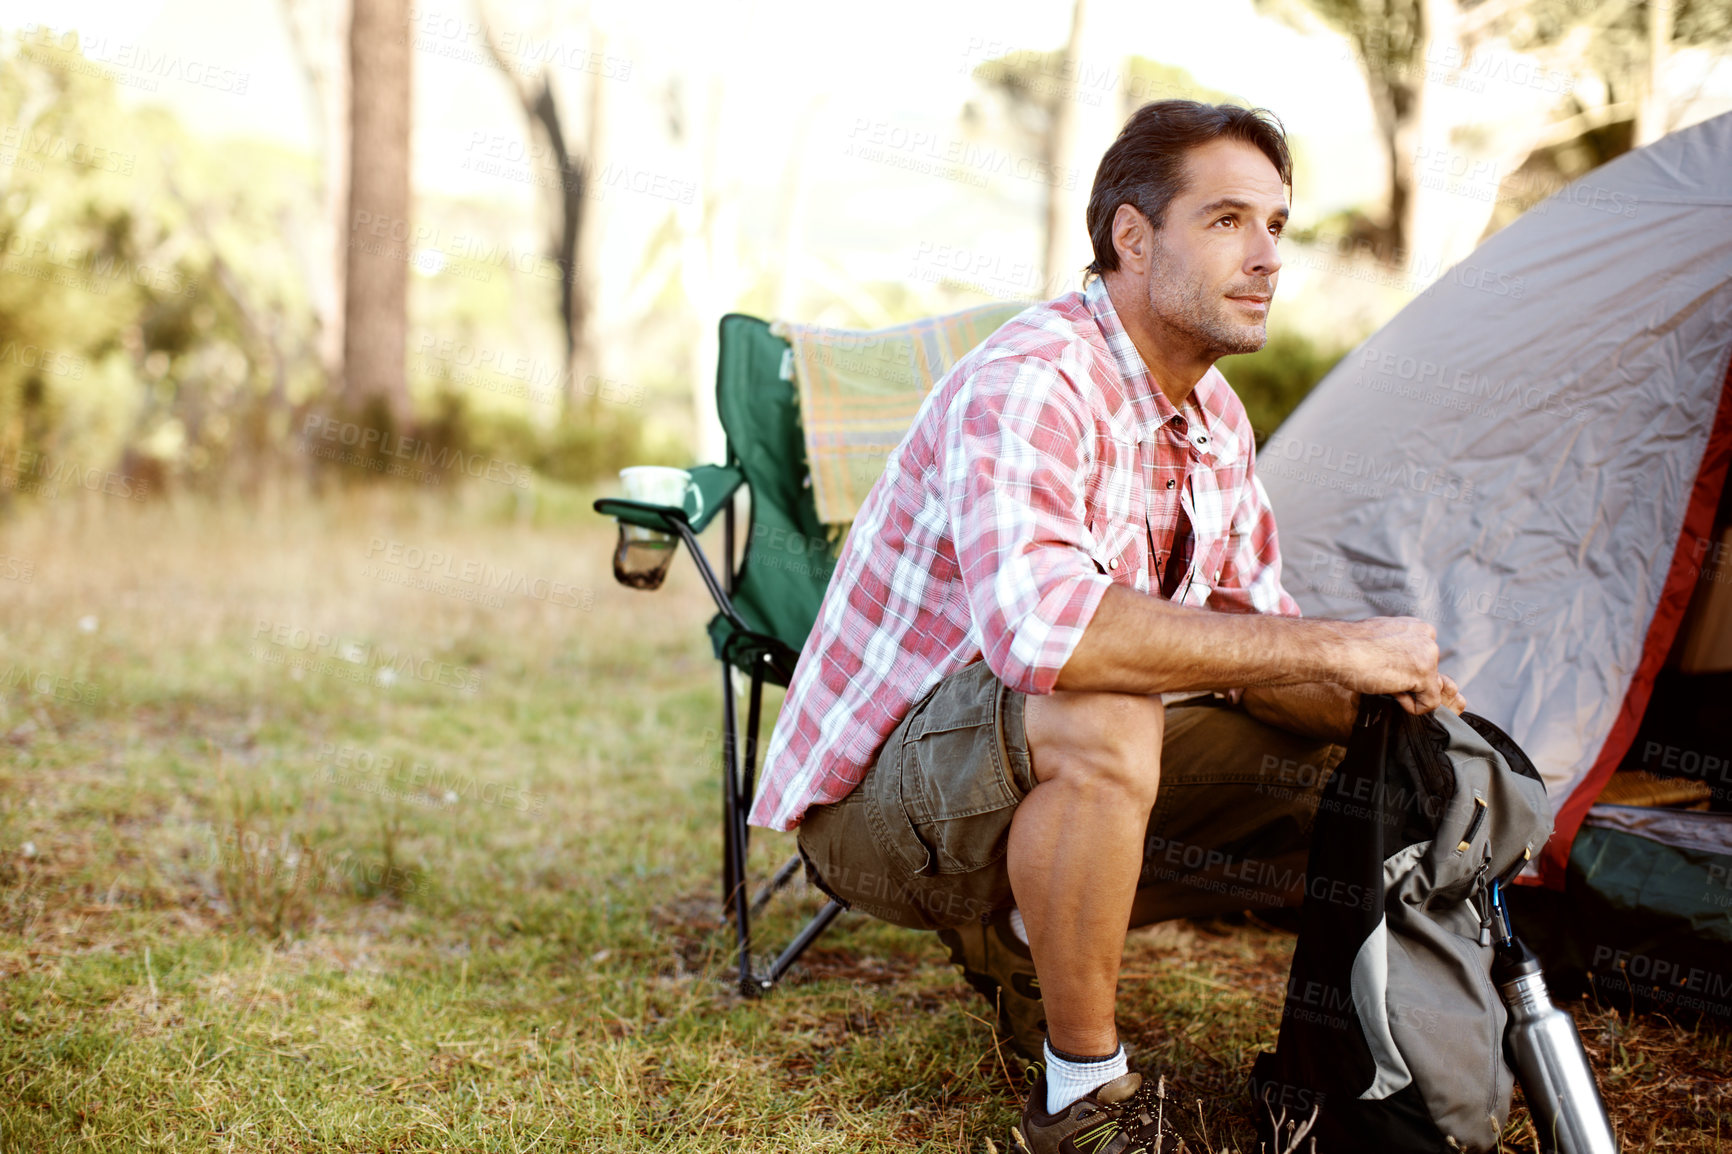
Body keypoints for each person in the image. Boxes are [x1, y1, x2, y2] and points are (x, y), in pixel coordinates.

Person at [750, 100, 1466, 1154]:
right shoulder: (1034, 377)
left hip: (1019, 779)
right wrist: (1333, 644)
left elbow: (1252, 642)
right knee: (1106, 707)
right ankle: (1080, 1097)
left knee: (1360, 759)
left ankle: (1332, 1071)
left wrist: (1382, 697)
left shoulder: (1215, 420)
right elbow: (1052, 635)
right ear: (1132, 238)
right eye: (1227, 220)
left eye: (1277, 225)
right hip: (877, 816)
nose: (1266, 255)